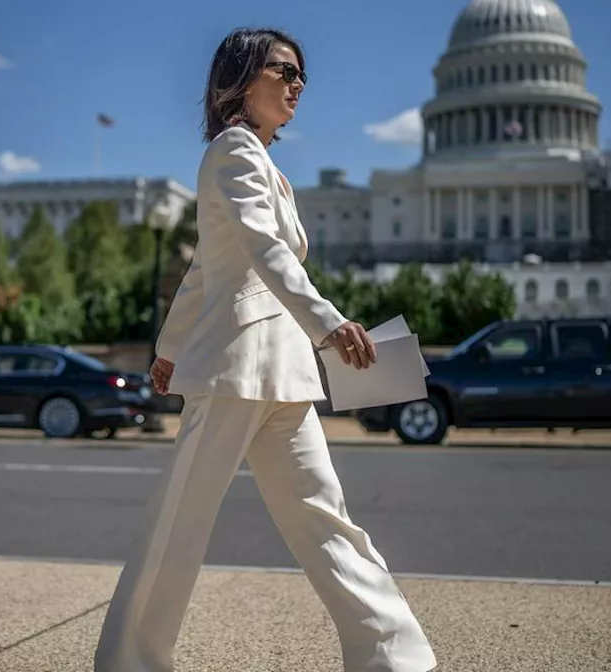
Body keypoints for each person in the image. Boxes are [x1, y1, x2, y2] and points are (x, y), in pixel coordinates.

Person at [94, 27, 437, 672]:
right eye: (283, 71)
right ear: (240, 79)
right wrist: (330, 325)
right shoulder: (232, 151)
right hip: (234, 367)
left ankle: (396, 659)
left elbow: (207, 270)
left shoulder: (263, 164)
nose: (296, 84)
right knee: (177, 528)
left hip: (285, 375)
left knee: (329, 524)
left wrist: (167, 346)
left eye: (302, 75)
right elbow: (264, 252)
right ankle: (130, 663)